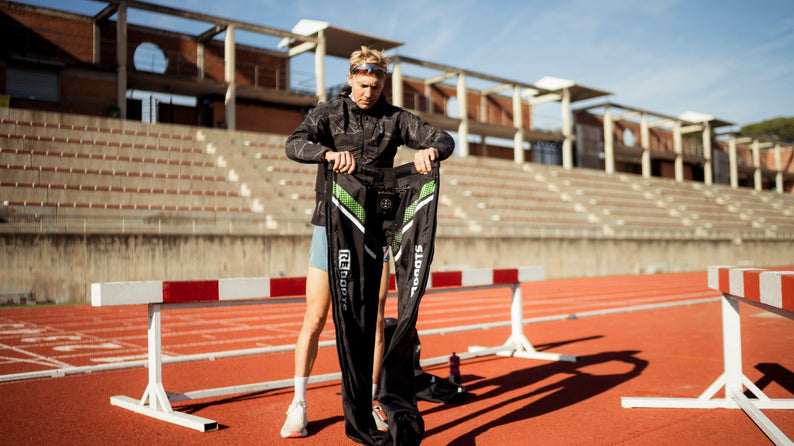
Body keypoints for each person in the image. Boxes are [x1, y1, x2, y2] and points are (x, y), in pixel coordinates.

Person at [281, 45, 454, 439]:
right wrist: (325, 155)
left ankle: (370, 400)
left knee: (375, 323)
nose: (368, 93)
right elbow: (294, 144)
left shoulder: (396, 120)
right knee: (316, 317)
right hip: (333, 225)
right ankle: (299, 402)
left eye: (375, 86)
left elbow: (443, 138)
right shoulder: (327, 113)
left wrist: (431, 151)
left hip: (376, 230)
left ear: (383, 84)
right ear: (350, 79)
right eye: (362, 85)